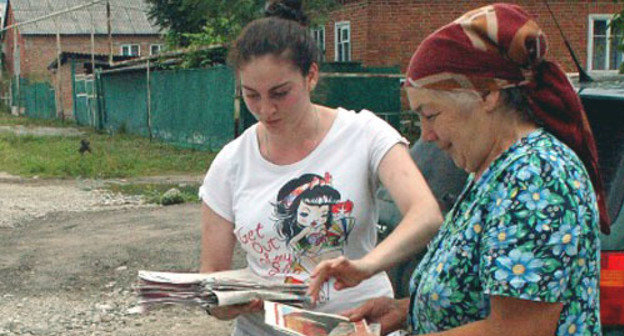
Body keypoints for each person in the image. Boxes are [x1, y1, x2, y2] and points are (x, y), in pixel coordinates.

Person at [308, 3, 611, 336]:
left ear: (487, 95)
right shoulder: (495, 169)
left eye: (431, 115)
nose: (425, 136)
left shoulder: (537, 175)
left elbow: (519, 329)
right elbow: (480, 298)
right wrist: (404, 310)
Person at [197, 1, 443, 335]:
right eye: (251, 95)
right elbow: (212, 277)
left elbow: (426, 215)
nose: (266, 109)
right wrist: (226, 305)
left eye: (280, 93)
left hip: (358, 324)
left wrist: (363, 266)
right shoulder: (230, 162)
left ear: (311, 75)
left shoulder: (364, 133)